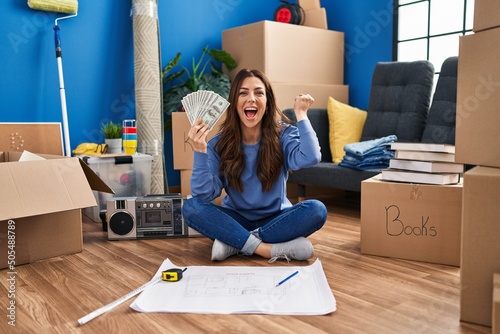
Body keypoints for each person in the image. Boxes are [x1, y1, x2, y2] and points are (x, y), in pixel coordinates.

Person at [182, 68, 327, 262]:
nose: (251, 98)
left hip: (277, 219)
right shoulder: (218, 144)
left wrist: (301, 114)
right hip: (235, 219)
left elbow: (311, 157)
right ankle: (267, 249)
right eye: (243, 93)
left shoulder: (283, 135)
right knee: (191, 207)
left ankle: (234, 243)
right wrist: (200, 151)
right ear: (234, 104)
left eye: (259, 93)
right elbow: (204, 195)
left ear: (267, 104)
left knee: (317, 210)